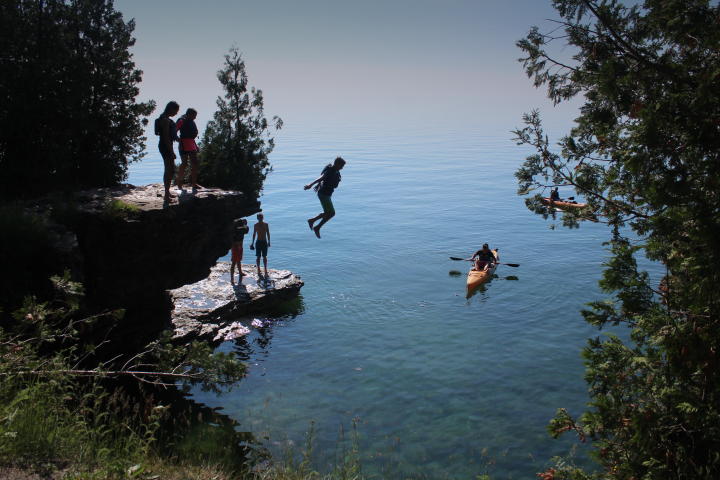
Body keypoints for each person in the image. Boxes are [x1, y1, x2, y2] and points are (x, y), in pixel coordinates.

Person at [304, 156, 346, 239]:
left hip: (325, 194)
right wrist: (311, 184)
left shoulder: (334, 170)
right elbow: (322, 177)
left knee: (327, 212)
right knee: (332, 213)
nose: (342, 168)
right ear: (337, 164)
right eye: (341, 166)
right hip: (324, 194)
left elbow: (324, 180)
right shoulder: (331, 170)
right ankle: (317, 227)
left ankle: (312, 220)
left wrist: (318, 185)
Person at [155, 101, 180, 202]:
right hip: (165, 146)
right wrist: (172, 152)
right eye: (176, 111)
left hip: (168, 145)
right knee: (168, 169)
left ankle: (168, 192)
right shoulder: (165, 120)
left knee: (172, 170)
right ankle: (166, 196)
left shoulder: (167, 119)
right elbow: (165, 137)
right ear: (171, 109)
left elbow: (171, 136)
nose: (176, 113)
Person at [176, 108, 202, 194]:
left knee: (195, 163)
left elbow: (192, 135)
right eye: (194, 116)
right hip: (183, 146)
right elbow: (174, 130)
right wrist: (178, 139)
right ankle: (179, 181)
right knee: (184, 164)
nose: (195, 117)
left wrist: (196, 146)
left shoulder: (191, 122)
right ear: (189, 114)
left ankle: (194, 183)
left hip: (192, 145)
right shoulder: (182, 121)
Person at [250, 213, 271, 279]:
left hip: (264, 241)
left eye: (261, 217)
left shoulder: (266, 224)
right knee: (258, 256)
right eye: (259, 217)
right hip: (258, 242)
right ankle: (258, 269)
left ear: (263, 218)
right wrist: (252, 243)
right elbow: (254, 234)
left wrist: (269, 242)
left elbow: (268, 233)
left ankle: (265, 269)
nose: (260, 219)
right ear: (257, 218)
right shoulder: (256, 225)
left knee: (264, 256)